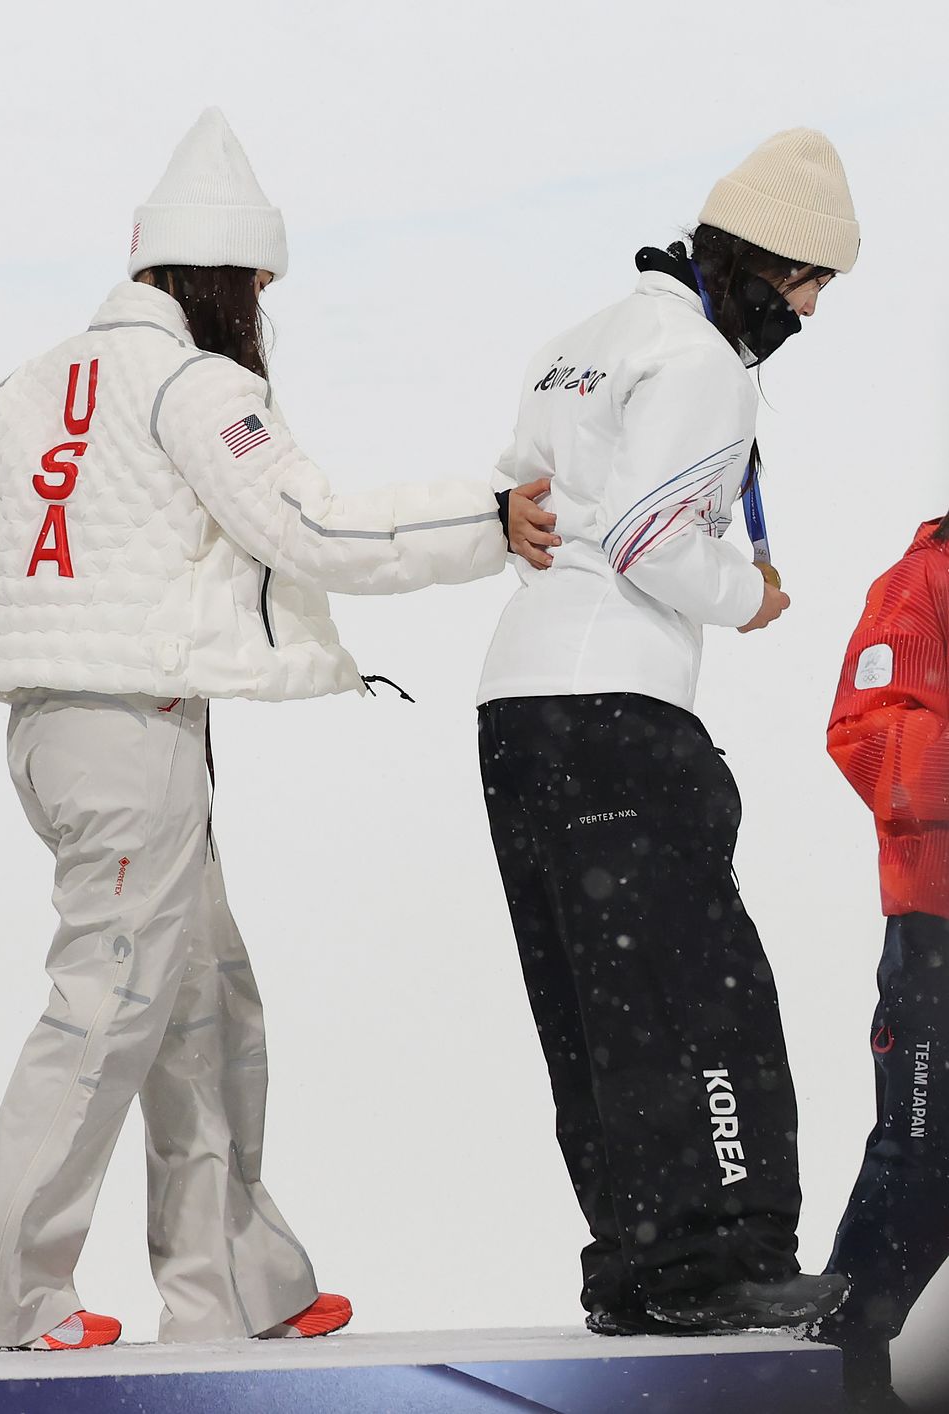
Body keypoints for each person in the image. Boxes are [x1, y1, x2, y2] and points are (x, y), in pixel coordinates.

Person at [0, 108, 555, 1352]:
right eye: (259, 287)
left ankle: (236, 1282)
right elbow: (313, 526)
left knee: (202, 1000)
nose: (263, 314)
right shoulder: (196, 383)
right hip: (129, 739)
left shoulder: (32, 383)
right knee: (107, 1006)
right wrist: (490, 520)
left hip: (55, 734)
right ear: (224, 277)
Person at [474, 129, 857, 1335]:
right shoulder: (702, 359)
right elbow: (645, 535)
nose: (806, 310)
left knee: (593, 1010)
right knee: (703, 999)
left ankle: (634, 1268)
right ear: (757, 263)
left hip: (516, 710)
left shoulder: (576, 342)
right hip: (620, 708)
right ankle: (717, 1263)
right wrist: (746, 594)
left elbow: (522, 498)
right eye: (805, 284)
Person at [821, 514, 949, 1411]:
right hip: (940, 928)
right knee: (924, 1155)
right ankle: (836, 1370)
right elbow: (870, 740)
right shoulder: (922, 582)